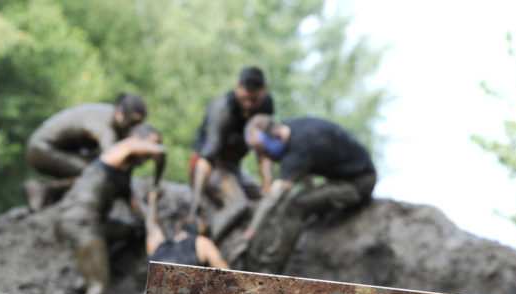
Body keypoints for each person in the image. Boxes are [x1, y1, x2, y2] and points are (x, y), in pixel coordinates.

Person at [56, 124, 165, 294]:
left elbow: (139, 213)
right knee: (98, 287)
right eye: (152, 142)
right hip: (81, 220)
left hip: (90, 223)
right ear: (139, 140)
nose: (151, 152)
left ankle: (87, 271)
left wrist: (153, 212)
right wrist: (156, 178)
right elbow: (161, 153)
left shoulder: (123, 174)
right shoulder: (119, 150)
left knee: (132, 229)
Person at [241, 114, 377, 273]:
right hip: (349, 175)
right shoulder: (290, 126)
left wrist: (250, 231)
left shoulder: (299, 150)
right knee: (303, 196)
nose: (264, 157)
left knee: (295, 206)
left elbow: (273, 198)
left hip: (358, 185)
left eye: (263, 151)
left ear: (275, 137)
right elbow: (305, 170)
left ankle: (271, 268)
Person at [189, 66, 275, 239]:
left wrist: (268, 184)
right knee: (238, 204)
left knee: (265, 201)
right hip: (210, 166)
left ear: (264, 91)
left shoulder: (266, 105)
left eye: (254, 100)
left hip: (234, 169)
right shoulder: (223, 109)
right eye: (245, 98)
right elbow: (206, 158)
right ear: (237, 87)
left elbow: (262, 150)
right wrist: (196, 200)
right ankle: (204, 242)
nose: (249, 105)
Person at [23, 94, 149, 211]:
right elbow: (110, 157)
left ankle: (54, 194)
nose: (133, 128)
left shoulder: (114, 121)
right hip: (41, 149)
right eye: (132, 123)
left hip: (64, 150)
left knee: (98, 168)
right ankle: (46, 189)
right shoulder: (103, 123)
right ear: (119, 113)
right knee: (97, 173)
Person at [144, 190, 228, 269]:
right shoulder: (201, 244)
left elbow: (151, 226)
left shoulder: (156, 247)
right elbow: (228, 276)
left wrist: (152, 201)